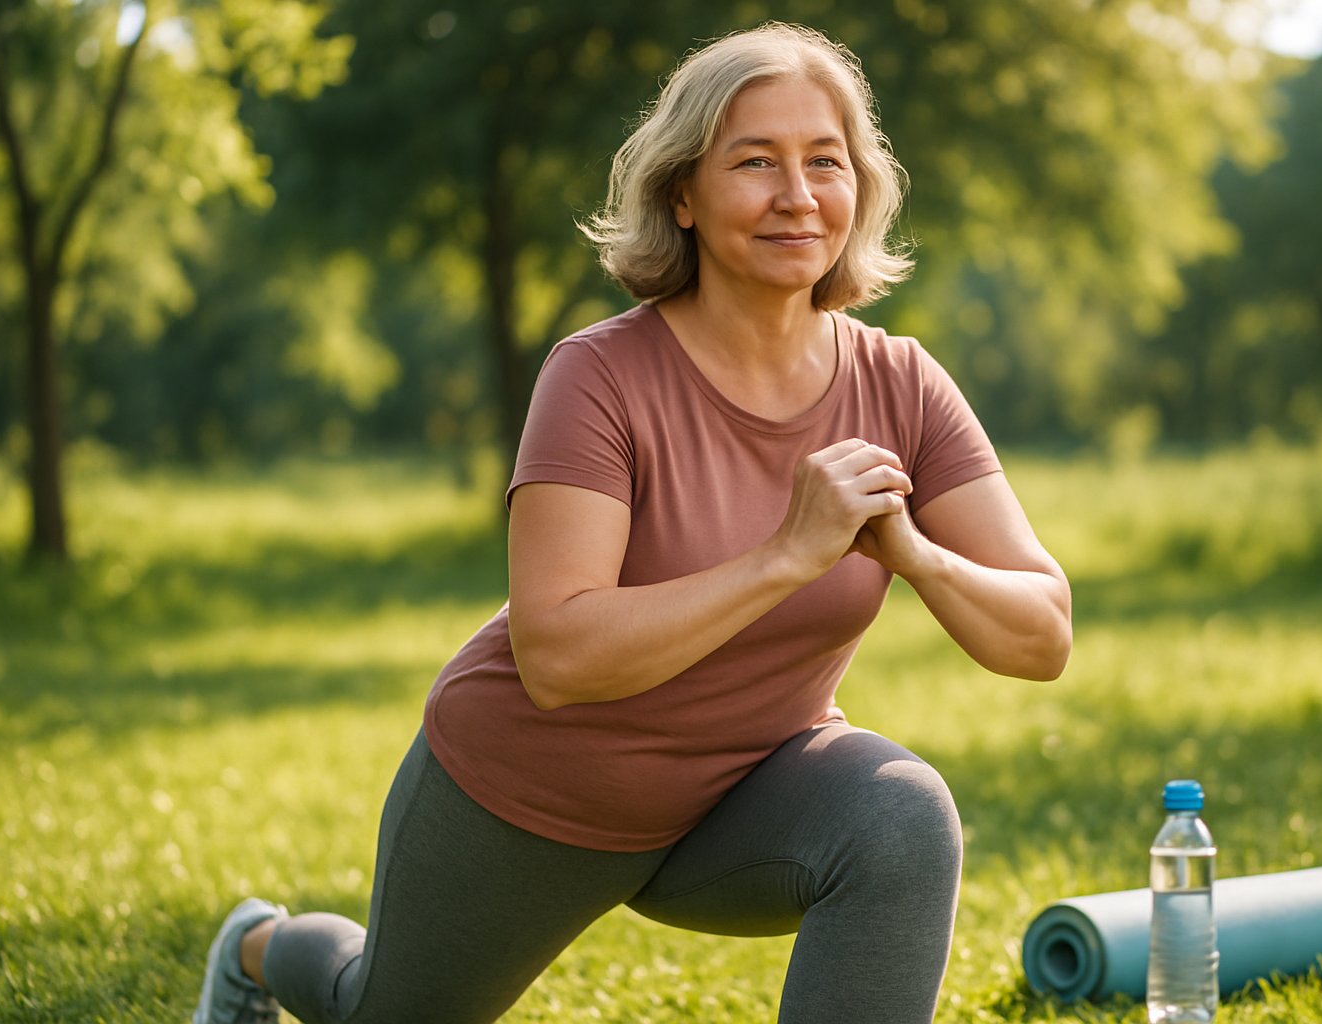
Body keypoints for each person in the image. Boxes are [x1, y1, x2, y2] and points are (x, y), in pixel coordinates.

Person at [193, 20, 1071, 1024]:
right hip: (533, 796)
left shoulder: (901, 382)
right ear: (683, 196)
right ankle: (259, 948)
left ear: (860, 186)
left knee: (901, 815)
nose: (797, 194)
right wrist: (787, 555)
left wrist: (913, 554)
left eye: (824, 161)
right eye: (755, 162)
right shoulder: (600, 374)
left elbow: (1043, 632)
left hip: (741, 800)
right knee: (375, 1008)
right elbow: (559, 653)